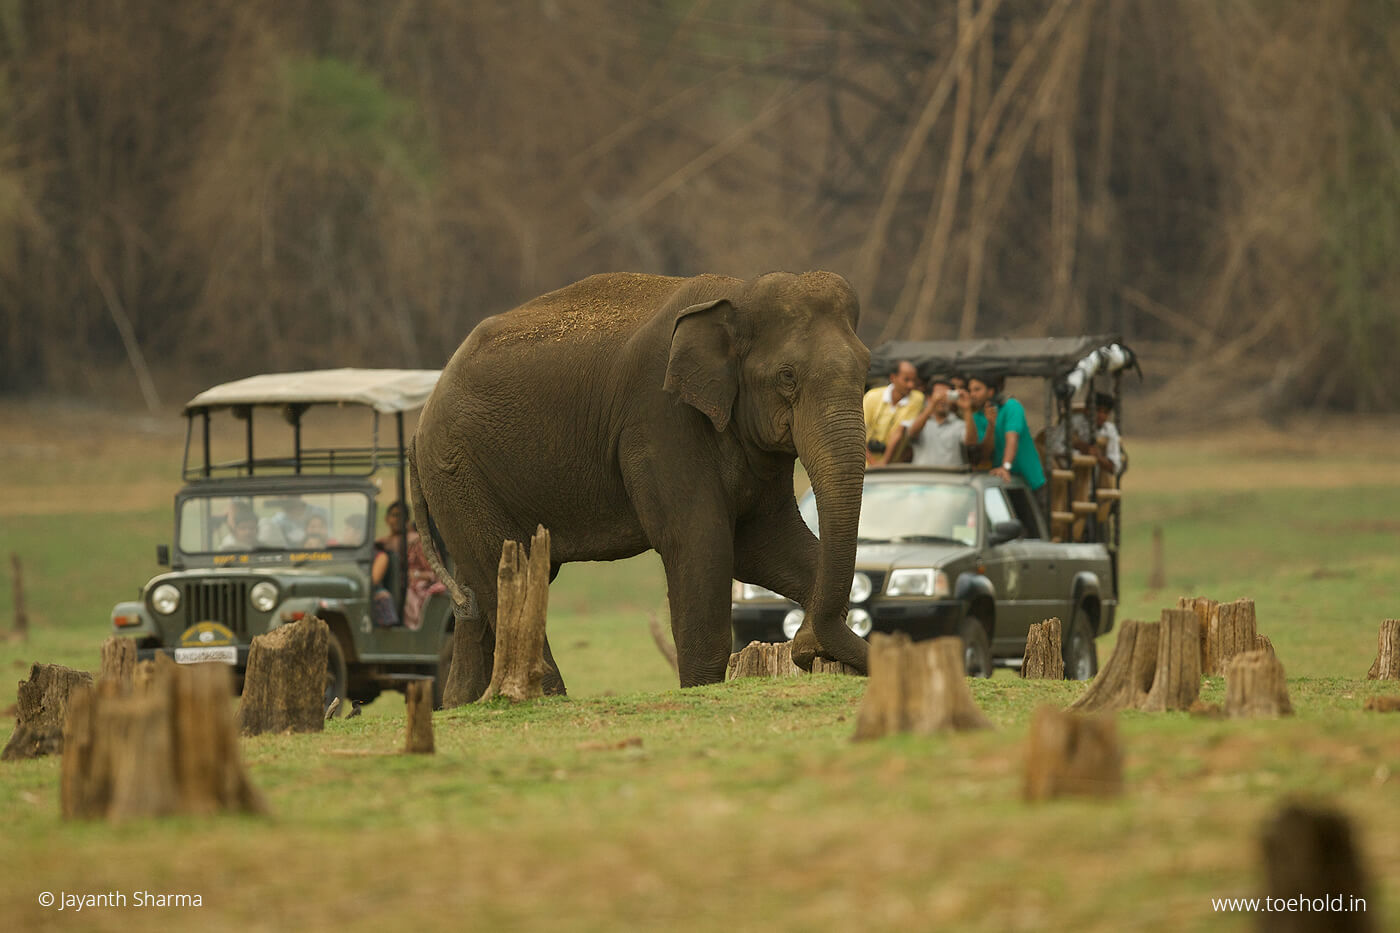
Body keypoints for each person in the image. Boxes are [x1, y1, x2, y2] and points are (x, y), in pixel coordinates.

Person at [961, 374, 1045, 490]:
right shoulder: (977, 418)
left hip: (1029, 481)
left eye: (977, 389)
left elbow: (1012, 439)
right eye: (970, 391)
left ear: (990, 392)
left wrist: (1006, 466)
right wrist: (991, 425)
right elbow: (985, 453)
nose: (972, 394)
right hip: (1002, 482)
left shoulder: (1012, 406)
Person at [376, 501, 445, 630]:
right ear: (387, 519)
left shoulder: (417, 541)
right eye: (394, 515)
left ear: (407, 520)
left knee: (407, 594)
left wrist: (416, 574)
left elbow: (436, 572)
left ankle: (409, 630)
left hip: (416, 584)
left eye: (401, 516)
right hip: (390, 582)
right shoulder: (383, 542)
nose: (397, 520)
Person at [881, 379, 967, 468]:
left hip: (951, 475)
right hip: (922, 475)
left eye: (946, 395)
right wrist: (932, 405)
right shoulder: (919, 420)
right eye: (939, 394)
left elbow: (970, 443)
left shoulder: (959, 423)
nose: (942, 399)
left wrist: (967, 409)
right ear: (929, 397)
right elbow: (912, 432)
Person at [863, 360, 925, 465]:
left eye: (914, 381)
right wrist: (872, 462)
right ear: (893, 378)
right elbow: (859, 432)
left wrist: (884, 464)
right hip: (864, 463)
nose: (911, 385)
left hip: (891, 467)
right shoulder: (872, 396)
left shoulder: (917, 398)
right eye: (906, 380)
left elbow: (899, 433)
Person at [1089, 392, 1125, 478]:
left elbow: (1115, 467)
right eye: (1098, 410)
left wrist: (1098, 456)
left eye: (1105, 412)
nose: (1101, 415)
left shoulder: (1109, 430)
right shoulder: (1078, 425)